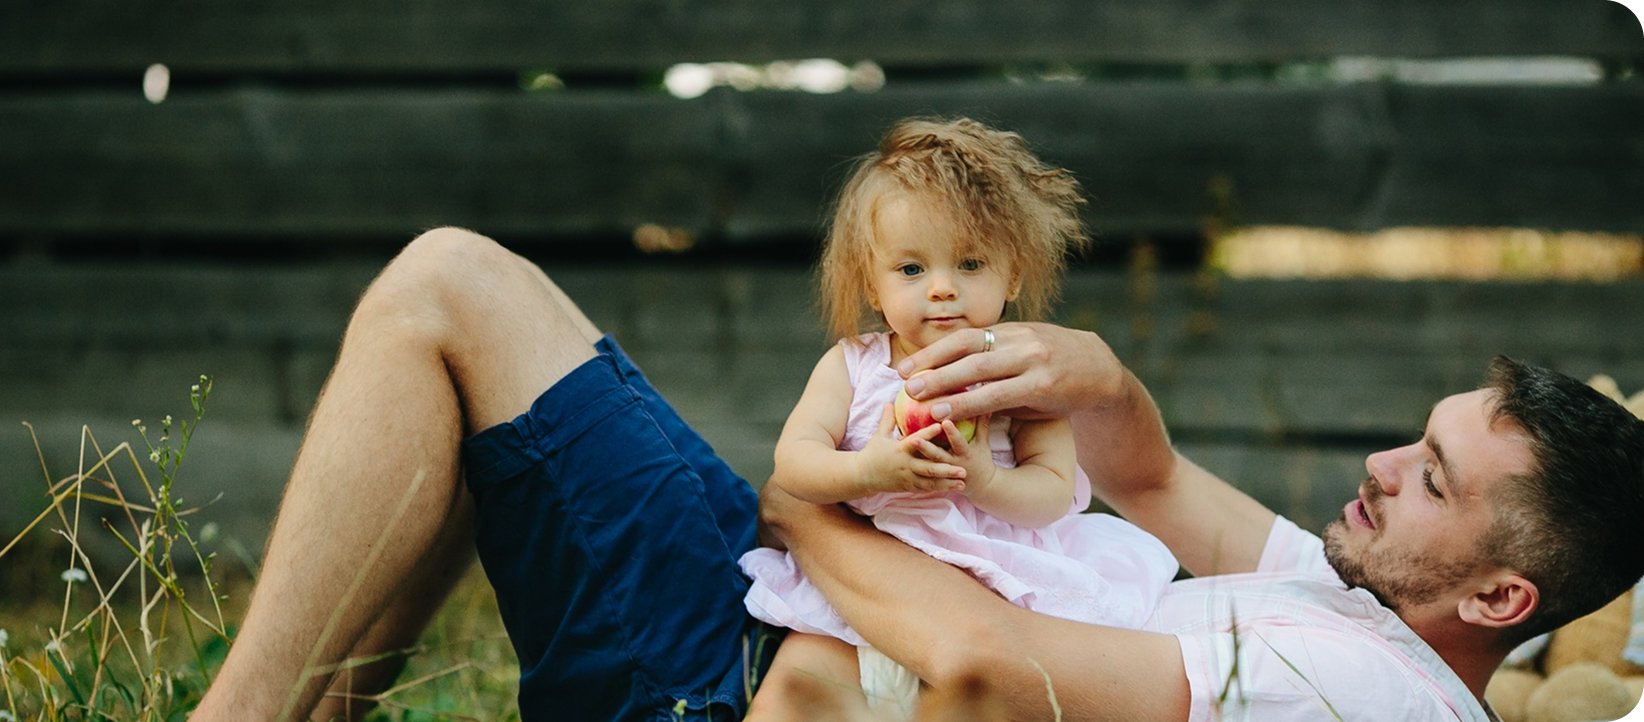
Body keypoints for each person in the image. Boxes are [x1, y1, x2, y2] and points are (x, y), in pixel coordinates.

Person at [189, 231, 1644, 722]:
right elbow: (1153, 479)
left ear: (1500, 595)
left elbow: (992, 663)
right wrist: (1093, 377)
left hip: (751, 680)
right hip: (798, 617)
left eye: (1430, 475)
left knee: (448, 289)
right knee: (474, 345)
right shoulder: (1360, 607)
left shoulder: (1367, 691)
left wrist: (806, 494)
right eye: (1413, 436)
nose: (1381, 464)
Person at [738, 118, 1177, 721]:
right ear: (872, 285)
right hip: (854, 599)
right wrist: (866, 470)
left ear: (1012, 274)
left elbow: (1052, 493)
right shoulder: (851, 366)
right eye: (911, 270)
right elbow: (793, 464)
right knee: (791, 698)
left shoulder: (1021, 376)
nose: (942, 288)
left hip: (993, 598)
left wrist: (984, 479)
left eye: (970, 264)